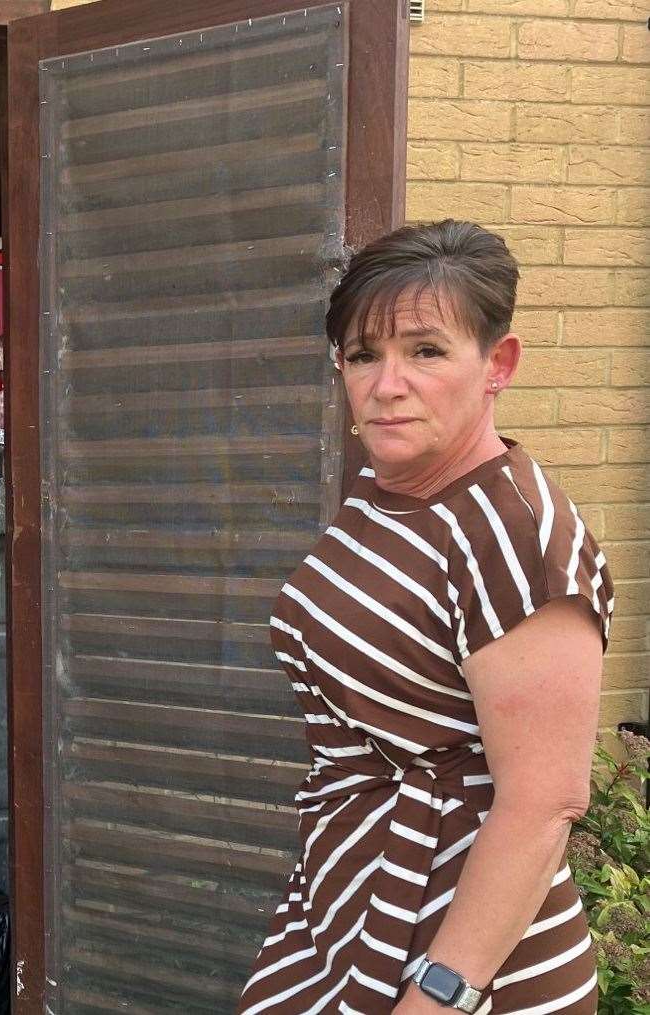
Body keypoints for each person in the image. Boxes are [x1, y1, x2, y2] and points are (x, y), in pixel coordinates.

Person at [237, 220, 612, 1015]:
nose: (386, 383)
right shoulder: (394, 489)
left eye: (426, 350)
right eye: (363, 354)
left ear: (497, 365)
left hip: (464, 960)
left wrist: (440, 995)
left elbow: (543, 803)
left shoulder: (517, 539)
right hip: (360, 909)